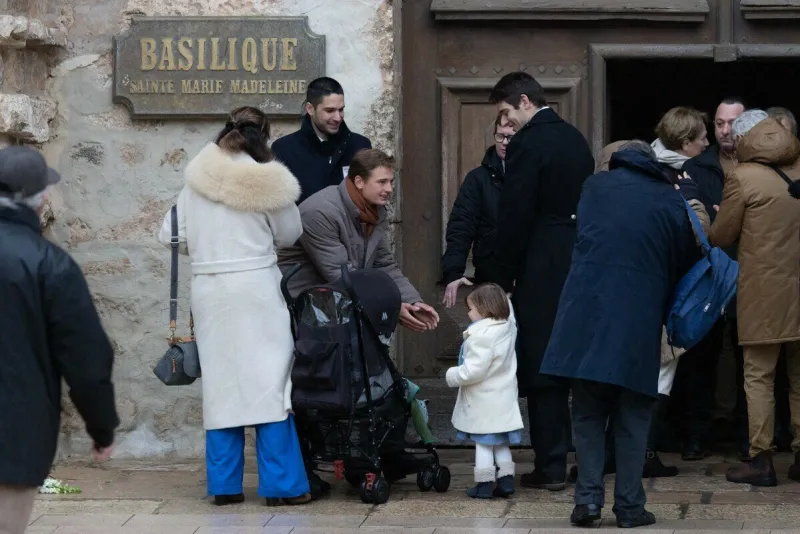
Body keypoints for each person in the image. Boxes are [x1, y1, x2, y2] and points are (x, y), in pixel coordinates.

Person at [540, 140, 699, 528]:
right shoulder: (669, 198)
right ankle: (629, 507)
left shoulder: (594, 187)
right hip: (639, 317)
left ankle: (587, 502)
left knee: (588, 413)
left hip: (587, 312)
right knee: (633, 416)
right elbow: (684, 257)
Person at [157, 106, 311, 506]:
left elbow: (169, 234)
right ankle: (281, 487)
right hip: (256, 287)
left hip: (209, 289)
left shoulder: (197, 178)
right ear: (265, 136)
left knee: (221, 388)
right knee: (271, 384)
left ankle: (224, 486)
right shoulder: (268, 179)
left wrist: (207, 246)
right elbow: (290, 232)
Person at [278, 148, 440, 496]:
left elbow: (383, 265)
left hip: (343, 306)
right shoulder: (320, 211)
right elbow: (340, 273)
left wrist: (412, 301)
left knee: (373, 377)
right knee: (331, 384)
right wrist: (393, 309)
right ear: (358, 181)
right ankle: (326, 461)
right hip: (311, 311)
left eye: (391, 181)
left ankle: (380, 452)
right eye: (382, 182)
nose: (389, 189)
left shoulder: (374, 211)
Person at [0, 146, 119, 534]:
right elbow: (87, 359)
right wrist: (101, 428)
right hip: (14, 435)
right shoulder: (50, 264)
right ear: (41, 199)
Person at [487, 71, 594, 491]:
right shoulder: (575, 138)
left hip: (541, 263)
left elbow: (515, 214)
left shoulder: (527, 143)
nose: (506, 122)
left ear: (525, 102)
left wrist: (500, 277)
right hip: (578, 260)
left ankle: (550, 465)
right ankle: (588, 459)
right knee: (580, 364)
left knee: (543, 365)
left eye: (507, 112)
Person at [710, 111, 800, 487]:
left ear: (746, 140)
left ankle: (761, 460)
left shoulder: (742, 176)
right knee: (799, 377)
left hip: (764, 294)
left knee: (759, 377)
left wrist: (711, 220)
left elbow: (721, 237)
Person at [683, 97, 748, 459]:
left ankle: (749, 435)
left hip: (749, 271)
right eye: (719, 123)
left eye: (732, 123)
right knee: (701, 355)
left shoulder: (760, 167)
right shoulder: (697, 167)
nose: (725, 130)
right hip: (708, 272)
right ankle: (697, 434)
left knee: (747, 355)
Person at [652, 106, 716, 462]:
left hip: (667, 281)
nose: (707, 143)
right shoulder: (673, 174)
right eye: (702, 137)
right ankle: (649, 447)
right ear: (685, 141)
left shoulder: (653, 165)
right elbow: (698, 231)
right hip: (674, 284)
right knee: (666, 363)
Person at [445, 283, 523, 499]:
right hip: (503, 398)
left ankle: (484, 483)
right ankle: (506, 481)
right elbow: (511, 315)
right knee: (500, 443)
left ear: (484, 309)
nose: (468, 313)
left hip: (484, 401)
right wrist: (506, 298)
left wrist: (453, 374)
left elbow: (473, 371)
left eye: (471, 308)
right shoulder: (508, 328)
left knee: (483, 444)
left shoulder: (481, 336)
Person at [441, 115, 514, 307]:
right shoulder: (478, 179)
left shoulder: (537, 175)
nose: (505, 143)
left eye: (511, 137)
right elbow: (461, 225)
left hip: (531, 276)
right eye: (500, 136)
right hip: (491, 275)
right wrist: (453, 272)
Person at [272, 77, 372, 203]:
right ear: (310, 109)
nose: (338, 117)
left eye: (341, 109)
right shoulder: (284, 149)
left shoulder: (360, 146)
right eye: (330, 111)